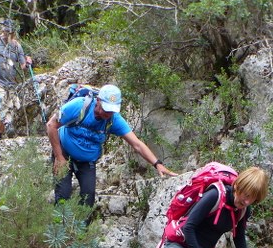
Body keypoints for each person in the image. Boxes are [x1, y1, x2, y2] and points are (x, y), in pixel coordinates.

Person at [46, 84, 177, 209]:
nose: (108, 114)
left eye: (112, 111)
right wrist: (59, 157)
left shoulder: (114, 120)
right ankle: (60, 230)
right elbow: (51, 125)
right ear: (98, 101)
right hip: (64, 152)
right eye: (106, 109)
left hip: (87, 161)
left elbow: (137, 144)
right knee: (63, 195)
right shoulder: (79, 106)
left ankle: (81, 231)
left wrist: (157, 163)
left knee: (88, 199)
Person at [164, 166, 269, 248]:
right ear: (237, 186)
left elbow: (238, 236)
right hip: (180, 242)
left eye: (252, 198)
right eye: (246, 195)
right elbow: (189, 227)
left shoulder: (244, 209)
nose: (247, 201)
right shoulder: (215, 195)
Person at [0, 18, 32, 140]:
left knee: (11, 106)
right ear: (1, 30)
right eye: (5, 32)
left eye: (9, 33)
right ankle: (8, 125)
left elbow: (22, 66)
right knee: (1, 101)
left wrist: (28, 61)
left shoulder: (16, 46)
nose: (6, 35)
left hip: (10, 82)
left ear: (13, 33)